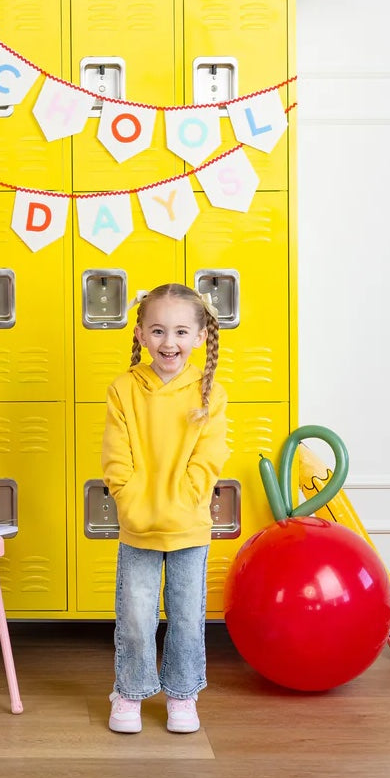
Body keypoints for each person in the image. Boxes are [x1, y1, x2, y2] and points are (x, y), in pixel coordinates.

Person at [101, 283, 228, 735]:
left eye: (180, 332)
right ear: (140, 334)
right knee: (135, 618)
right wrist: (131, 502)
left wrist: (186, 499)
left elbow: (209, 458)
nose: (168, 342)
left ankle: (182, 694)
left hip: (189, 528)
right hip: (139, 526)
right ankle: (130, 691)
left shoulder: (210, 393)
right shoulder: (123, 389)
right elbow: (116, 458)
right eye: (157, 330)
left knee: (187, 618)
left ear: (200, 336)